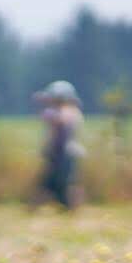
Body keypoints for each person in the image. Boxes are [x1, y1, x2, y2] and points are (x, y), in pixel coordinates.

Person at [31, 80, 84, 211]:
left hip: (64, 153)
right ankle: (66, 207)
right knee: (54, 183)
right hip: (58, 153)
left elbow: (57, 119)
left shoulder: (68, 111)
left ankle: (71, 207)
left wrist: (44, 103)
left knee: (63, 182)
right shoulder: (64, 110)